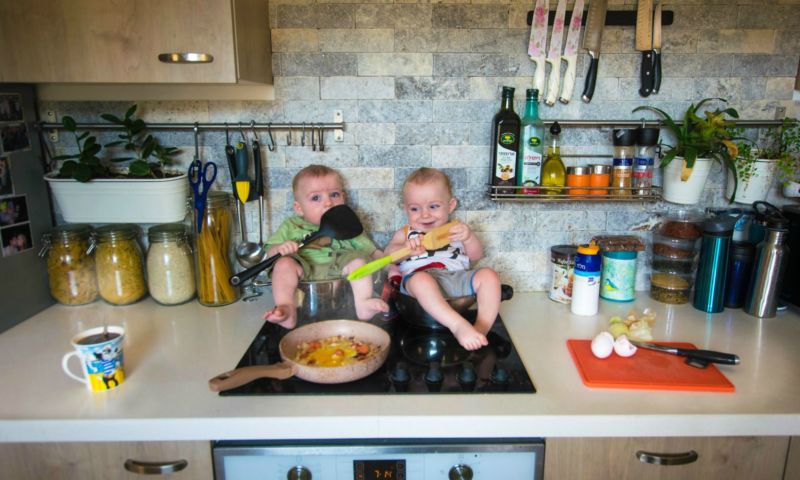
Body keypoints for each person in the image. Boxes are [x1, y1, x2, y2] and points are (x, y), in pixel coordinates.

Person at [384, 167, 501, 350]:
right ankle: (458, 325)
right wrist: (406, 249)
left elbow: (476, 256)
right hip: (420, 283)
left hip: (456, 277)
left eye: (433, 206)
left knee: (489, 275)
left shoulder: (456, 230)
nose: (425, 214)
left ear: (451, 205)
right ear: (405, 209)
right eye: (415, 208)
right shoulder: (406, 233)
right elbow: (387, 256)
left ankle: (480, 329)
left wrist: (469, 238)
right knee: (421, 280)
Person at [262, 164, 388, 329]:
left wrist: (391, 265)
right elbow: (269, 252)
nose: (328, 202)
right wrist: (280, 248)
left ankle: (363, 303)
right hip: (303, 272)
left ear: (344, 198)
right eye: (316, 198)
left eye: (334, 194)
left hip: (339, 271)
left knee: (358, 261)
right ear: (299, 208)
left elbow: (373, 252)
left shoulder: (347, 225)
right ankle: (287, 307)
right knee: (283, 264)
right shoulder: (291, 226)